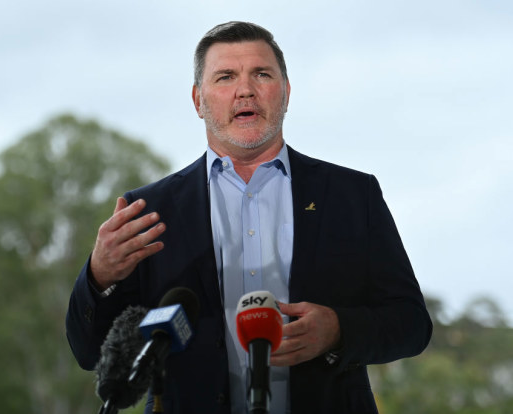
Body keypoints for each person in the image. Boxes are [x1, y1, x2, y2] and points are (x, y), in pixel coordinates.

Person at [66, 21, 432, 414]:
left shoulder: (351, 195)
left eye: (261, 74)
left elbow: (411, 324)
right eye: (225, 77)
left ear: (286, 93)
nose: (245, 89)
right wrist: (99, 276)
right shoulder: (150, 211)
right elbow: (91, 352)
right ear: (198, 100)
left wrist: (338, 330)